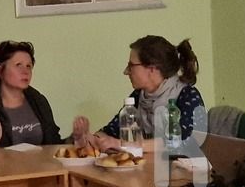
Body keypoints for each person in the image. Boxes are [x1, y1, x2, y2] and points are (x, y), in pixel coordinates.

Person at [73, 35, 205, 152]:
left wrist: (124, 145)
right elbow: (111, 132)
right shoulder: (138, 95)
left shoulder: (187, 95)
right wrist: (88, 138)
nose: (126, 71)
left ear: (152, 69)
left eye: (131, 66)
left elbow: (184, 142)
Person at [0, 40, 64, 151]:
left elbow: (55, 144)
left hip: (41, 163)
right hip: (0, 163)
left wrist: (74, 139)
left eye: (29, 66)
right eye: (18, 65)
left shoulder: (38, 101)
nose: (25, 71)